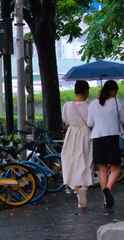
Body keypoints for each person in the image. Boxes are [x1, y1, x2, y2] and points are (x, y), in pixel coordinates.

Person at [87, 80, 124, 209]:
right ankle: (108, 188)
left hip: (97, 138)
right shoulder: (116, 102)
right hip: (112, 137)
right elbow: (123, 119)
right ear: (113, 91)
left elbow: (89, 123)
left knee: (102, 169)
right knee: (116, 167)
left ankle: (105, 199)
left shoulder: (92, 104)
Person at [61, 80, 92, 208]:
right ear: (86, 91)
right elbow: (92, 122)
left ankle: (76, 187)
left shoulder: (67, 105)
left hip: (71, 134)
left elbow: (65, 120)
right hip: (86, 134)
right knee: (85, 161)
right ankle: (83, 187)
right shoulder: (90, 105)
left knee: (71, 161)